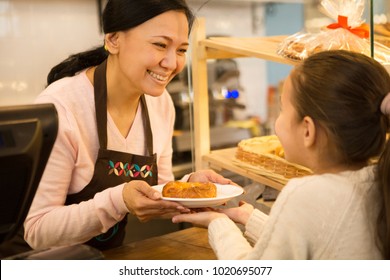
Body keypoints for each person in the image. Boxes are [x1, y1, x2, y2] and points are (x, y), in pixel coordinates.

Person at [22, 0, 232, 252]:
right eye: (160, 45)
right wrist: (118, 200)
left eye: (181, 50)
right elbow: (36, 231)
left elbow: (158, 194)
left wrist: (191, 187)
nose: (171, 63)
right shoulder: (63, 107)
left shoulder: (160, 103)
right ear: (113, 40)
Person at [173, 50, 390, 260]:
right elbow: (321, 239)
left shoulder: (307, 193)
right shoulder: (377, 179)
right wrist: (248, 217)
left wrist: (217, 222)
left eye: (282, 109)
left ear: (307, 131)